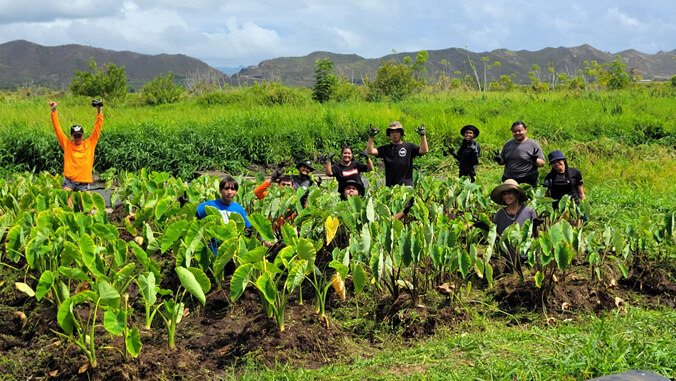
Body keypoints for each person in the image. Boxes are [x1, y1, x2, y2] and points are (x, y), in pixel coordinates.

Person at [48, 98, 103, 192]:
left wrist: (99, 110)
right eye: (75, 136)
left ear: (82, 135)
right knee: (67, 204)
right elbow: (58, 130)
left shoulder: (90, 143)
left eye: (79, 136)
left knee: (85, 206)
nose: (77, 138)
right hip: (70, 181)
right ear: (72, 136)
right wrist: (54, 111)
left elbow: (97, 128)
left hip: (84, 182)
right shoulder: (67, 144)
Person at [489, 179, 539, 273]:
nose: (506, 196)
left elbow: (535, 236)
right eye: (504, 194)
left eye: (509, 193)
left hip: (527, 259)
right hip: (509, 261)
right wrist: (488, 230)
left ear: (517, 194)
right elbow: (499, 237)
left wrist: (535, 227)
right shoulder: (499, 215)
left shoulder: (528, 211)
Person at [366, 121, 429, 187]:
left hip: (406, 186)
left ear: (401, 134)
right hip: (391, 187)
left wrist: (423, 136)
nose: (395, 134)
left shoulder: (409, 147)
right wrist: (371, 136)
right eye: (392, 132)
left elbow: (424, 150)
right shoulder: (385, 149)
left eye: (397, 132)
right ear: (389, 134)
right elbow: (370, 151)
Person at [493, 121, 545, 187]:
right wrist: (499, 159)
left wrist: (535, 160)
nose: (517, 133)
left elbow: (542, 163)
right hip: (510, 178)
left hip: (527, 179)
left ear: (525, 130)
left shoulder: (533, 145)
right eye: (514, 131)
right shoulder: (508, 144)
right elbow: (502, 162)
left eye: (520, 131)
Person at [340, 179, 413, 220]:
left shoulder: (365, 207)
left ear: (358, 193)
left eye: (354, 189)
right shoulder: (339, 208)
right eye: (348, 188)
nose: (351, 191)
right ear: (343, 193)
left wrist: (404, 211)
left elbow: (385, 221)